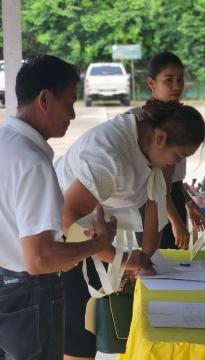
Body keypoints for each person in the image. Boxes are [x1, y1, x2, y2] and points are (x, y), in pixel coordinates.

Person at [55, 100, 205, 360]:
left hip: (96, 233)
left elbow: (154, 205)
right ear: (160, 137)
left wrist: (142, 259)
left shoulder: (150, 143)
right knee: (79, 334)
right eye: (178, 157)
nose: (175, 165)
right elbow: (68, 217)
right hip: (62, 238)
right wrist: (121, 259)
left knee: (94, 322)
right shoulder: (108, 155)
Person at [0, 55, 117, 360]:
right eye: (69, 103)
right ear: (44, 99)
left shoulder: (5, 143)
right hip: (29, 297)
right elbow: (39, 258)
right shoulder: (32, 163)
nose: (74, 115)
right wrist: (97, 244)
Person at [132, 52, 205, 250]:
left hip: (172, 198)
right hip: (150, 201)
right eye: (168, 80)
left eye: (180, 80)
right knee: (155, 262)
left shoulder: (180, 118)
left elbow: (172, 179)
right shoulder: (140, 122)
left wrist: (189, 203)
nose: (176, 87)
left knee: (178, 263)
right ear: (151, 83)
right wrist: (175, 221)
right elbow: (157, 184)